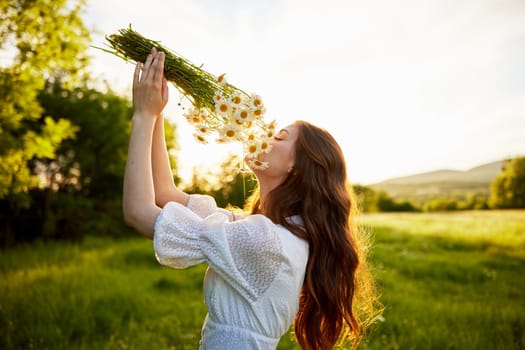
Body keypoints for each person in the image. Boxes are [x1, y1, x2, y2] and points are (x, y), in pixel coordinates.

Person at [123, 47, 380, 350]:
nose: (265, 136)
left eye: (280, 137)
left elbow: (139, 212)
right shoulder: (267, 230)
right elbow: (166, 195)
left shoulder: (264, 240)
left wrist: (142, 115)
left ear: (296, 167)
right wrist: (157, 113)